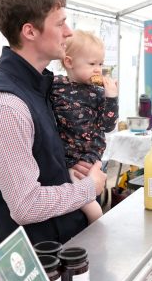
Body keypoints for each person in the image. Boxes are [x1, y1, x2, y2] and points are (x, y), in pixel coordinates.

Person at [0, 0, 107, 246]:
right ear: (30, 31)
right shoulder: (4, 106)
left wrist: (71, 168)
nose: (69, 33)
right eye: (60, 23)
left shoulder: (40, 87)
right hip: (41, 261)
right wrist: (90, 188)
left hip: (64, 244)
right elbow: (26, 205)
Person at [50, 30, 118, 225]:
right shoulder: (55, 86)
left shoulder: (97, 92)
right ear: (69, 62)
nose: (98, 70)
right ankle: (95, 221)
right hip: (68, 157)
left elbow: (108, 125)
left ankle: (96, 222)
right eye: (92, 64)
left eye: (100, 64)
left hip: (91, 155)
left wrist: (111, 97)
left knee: (91, 197)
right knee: (83, 193)